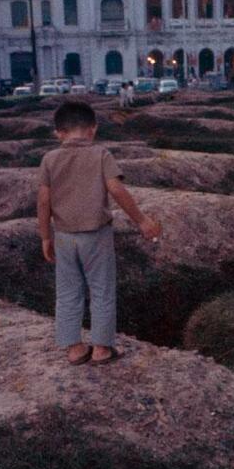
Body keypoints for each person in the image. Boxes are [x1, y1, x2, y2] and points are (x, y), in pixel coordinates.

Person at [37, 99, 162, 366]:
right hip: (96, 234)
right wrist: (141, 220)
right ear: (93, 129)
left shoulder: (49, 159)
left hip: (64, 235)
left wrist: (45, 236)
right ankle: (102, 349)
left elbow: (44, 200)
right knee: (101, 290)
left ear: (58, 133)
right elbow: (116, 189)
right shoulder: (101, 155)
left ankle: (74, 348)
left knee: (68, 291)